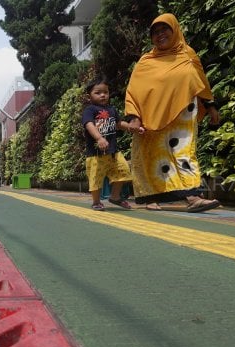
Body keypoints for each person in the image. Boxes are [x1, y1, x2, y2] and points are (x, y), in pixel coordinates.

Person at [125, 13, 221, 212]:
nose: (160, 35)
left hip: (183, 113)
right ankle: (151, 197)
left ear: (175, 30)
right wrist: (134, 116)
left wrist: (210, 106)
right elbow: (133, 91)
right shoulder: (145, 61)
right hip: (151, 118)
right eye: (155, 32)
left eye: (164, 30)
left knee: (184, 151)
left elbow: (200, 82)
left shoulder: (188, 54)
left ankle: (194, 197)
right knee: (153, 156)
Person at [82, 76, 141, 211]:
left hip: (113, 152)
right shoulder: (90, 110)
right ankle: (96, 202)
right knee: (96, 179)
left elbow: (119, 123)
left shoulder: (112, 110)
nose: (103, 95)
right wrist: (99, 138)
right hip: (96, 154)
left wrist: (132, 128)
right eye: (98, 93)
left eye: (105, 92)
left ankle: (115, 197)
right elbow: (89, 125)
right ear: (89, 95)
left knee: (123, 172)